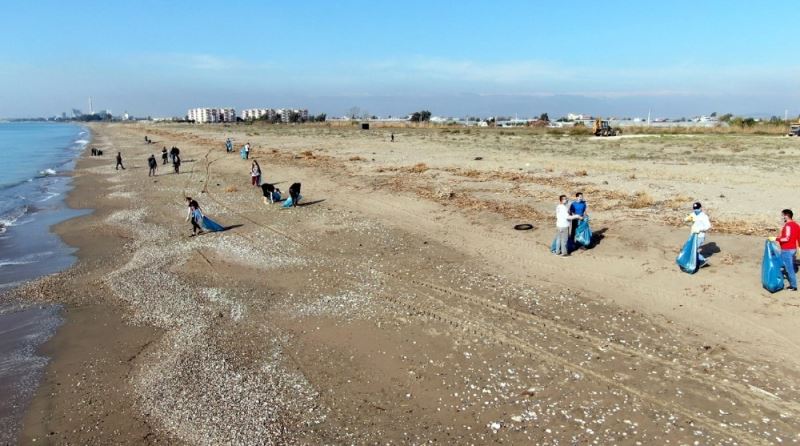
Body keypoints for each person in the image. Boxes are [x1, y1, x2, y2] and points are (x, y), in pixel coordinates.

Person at [770, 209, 800, 291]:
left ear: (786, 215)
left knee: (789, 268)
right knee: (789, 266)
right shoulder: (796, 225)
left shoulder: (788, 226)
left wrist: (775, 238)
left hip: (787, 249)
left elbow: (786, 238)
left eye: (783, 215)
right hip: (793, 249)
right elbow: (799, 238)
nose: (782, 217)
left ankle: (793, 286)